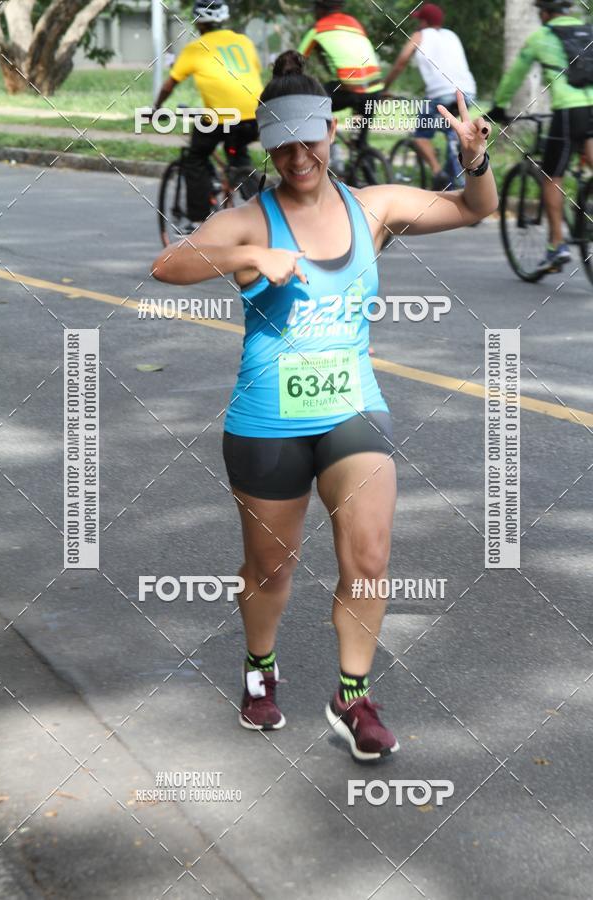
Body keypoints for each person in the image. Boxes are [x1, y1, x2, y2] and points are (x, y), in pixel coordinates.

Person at [151, 51, 496, 762]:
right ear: (267, 145)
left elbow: (471, 211)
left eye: (309, 139)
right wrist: (248, 259)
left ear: (332, 131)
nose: (298, 155)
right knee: (271, 570)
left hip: (352, 408)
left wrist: (475, 161)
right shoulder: (250, 218)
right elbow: (169, 265)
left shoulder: (374, 208)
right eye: (281, 143)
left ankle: (353, 694)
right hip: (266, 419)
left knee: (368, 555)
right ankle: (259, 670)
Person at [489, 0, 593, 272]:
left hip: (569, 112)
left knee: (551, 177)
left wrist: (499, 106)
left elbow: (514, 75)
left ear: (544, 13)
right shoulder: (588, 31)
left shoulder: (541, 37)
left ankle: (556, 246)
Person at [153, 0, 263, 224]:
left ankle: (198, 221)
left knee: (196, 157)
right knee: (239, 157)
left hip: (221, 119)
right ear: (222, 19)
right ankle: (264, 211)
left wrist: (156, 108)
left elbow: (169, 85)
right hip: (257, 116)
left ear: (199, 23)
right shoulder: (244, 42)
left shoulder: (195, 48)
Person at [383, 3, 477, 189]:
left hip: (442, 94)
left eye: (420, 20)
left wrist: (384, 87)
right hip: (467, 93)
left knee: (420, 135)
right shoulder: (452, 36)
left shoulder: (420, 35)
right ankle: (455, 179)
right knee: (452, 131)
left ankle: (437, 172)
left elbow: (401, 62)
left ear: (424, 21)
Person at [298, 0, 384, 159]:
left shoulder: (318, 29)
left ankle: (330, 148)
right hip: (375, 87)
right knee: (360, 142)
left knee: (309, 105)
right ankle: (364, 158)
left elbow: (294, 62)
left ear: (320, 10)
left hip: (349, 87)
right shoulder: (355, 24)